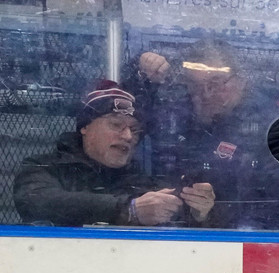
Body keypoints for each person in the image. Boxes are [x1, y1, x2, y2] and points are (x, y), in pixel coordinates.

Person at [130, 38, 279, 230]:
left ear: (241, 80)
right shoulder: (183, 114)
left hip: (250, 245)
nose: (206, 94)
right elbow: (125, 119)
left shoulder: (278, 127)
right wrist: (138, 71)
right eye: (195, 85)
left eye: (216, 83)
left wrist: (215, 214)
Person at [12, 80, 213, 227]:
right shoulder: (41, 168)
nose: (127, 136)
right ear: (85, 126)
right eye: (116, 124)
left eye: (134, 130)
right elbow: (38, 202)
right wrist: (128, 211)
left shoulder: (144, 183)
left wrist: (197, 212)